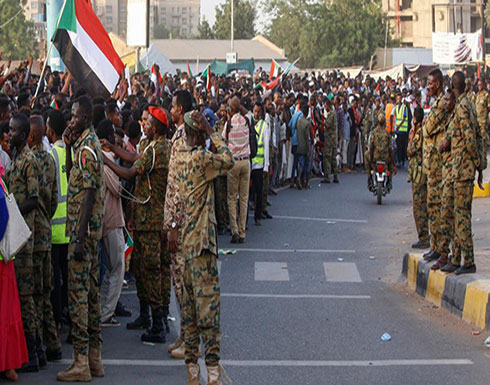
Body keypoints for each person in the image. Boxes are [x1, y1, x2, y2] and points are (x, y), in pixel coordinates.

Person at [102, 107, 171, 343]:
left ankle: (159, 323)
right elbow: (134, 158)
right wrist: (113, 148)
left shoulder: (158, 149)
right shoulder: (154, 147)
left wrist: (107, 162)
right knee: (144, 268)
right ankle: (147, 316)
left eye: (149, 122)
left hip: (151, 221)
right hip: (146, 218)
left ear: (157, 128)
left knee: (152, 271)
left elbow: (130, 172)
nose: (145, 125)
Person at [179, 110, 234, 385]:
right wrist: (213, 131)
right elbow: (228, 160)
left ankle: (192, 373)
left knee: (189, 315)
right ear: (199, 133)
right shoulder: (202, 158)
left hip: (187, 246)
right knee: (208, 312)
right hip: (202, 245)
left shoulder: (183, 159)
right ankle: (212, 374)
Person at [57, 96, 105, 382]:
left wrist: (78, 237)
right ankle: (95, 359)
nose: (70, 120)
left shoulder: (88, 148)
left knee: (78, 300)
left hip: (82, 234)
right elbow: (75, 176)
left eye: (74, 116)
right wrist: (69, 147)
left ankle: (81, 362)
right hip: (89, 234)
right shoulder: (86, 145)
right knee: (91, 296)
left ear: (86, 118)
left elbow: (87, 192)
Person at [5, 113, 40, 372]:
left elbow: (34, 198)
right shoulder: (15, 158)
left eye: (14, 131)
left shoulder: (28, 160)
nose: (9, 134)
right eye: (9, 130)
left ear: (24, 133)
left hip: (24, 237)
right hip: (14, 233)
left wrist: (10, 208)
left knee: (27, 297)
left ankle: (35, 351)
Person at [440, 72, 482, 275]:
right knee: (456, 216)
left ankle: (469, 260)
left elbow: (469, 138)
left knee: (462, 216)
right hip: (459, 169)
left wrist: (476, 163)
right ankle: (456, 259)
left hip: (463, 169)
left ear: (452, 85)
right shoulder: (463, 104)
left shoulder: (464, 106)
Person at [27, 115, 60, 367]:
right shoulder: (49, 160)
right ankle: (53, 345)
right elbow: (53, 199)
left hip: (32, 236)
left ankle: (36, 347)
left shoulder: (27, 162)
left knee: (34, 294)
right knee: (46, 294)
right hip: (46, 231)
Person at [164, 90, 193, 359]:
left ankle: (190, 343)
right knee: (178, 282)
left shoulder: (184, 138)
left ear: (180, 109)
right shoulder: (179, 136)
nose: (170, 109)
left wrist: (173, 224)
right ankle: (184, 335)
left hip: (181, 224)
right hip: (177, 221)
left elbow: (181, 185)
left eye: (172, 106)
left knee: (184, 285)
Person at [96, 120, 126, 327]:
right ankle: (106, 313)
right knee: (117, 267)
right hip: (111, 219)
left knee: (111, 267)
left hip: (108, 218)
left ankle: (103, 308)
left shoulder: (105, 157)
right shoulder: (105, 159)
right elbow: (118, 188)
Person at [0, 166, 29, 382]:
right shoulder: (1, 179)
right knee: (8, 314)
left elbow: (2, 214)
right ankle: (8, 364)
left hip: (2, 264)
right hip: (4, 262)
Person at [46, 109, 69, 340]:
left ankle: (57, 321)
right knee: (69, 277)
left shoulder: (51, 155)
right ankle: (69, 318)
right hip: (69, 229)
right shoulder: (70, 153)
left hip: (53, 230)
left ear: (50, 130)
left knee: (55, 280)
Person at [422, 69, 447, 263]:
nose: (427, 87)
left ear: (437, 84)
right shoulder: (436, 103)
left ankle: (439, 247)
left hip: (437, 164)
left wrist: (424, 124)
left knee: (435, 205)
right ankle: (435, 246)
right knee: (432, 205)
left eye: (430, 83)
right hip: (431, 163)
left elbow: (428, 129)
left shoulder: (439, 106)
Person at [223, 96, 251, 244]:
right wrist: (239, 107)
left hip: (233, 163)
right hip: (246, 162)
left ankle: (234, 230)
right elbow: (249, 113)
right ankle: (242, 232)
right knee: (244, 198)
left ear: (230, 109)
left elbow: (223, 142)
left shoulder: (228, 125)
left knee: (232, 198)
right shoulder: (247, 120)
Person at [407, 106, 429, 250]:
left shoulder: (419, 133)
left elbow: (410, 150)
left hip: (419, 174)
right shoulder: (422, 131)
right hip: (420, 172)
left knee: (419, 207)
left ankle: (424, 237)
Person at [366, 113, 395, 191]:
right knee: (391, 163)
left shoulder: (373, 133)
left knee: (366, 154)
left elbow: (371, 148)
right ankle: (389, 181)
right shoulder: (387, 134)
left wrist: (371, 161)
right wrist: (394, 165)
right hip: (385, 158)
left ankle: (369, 178)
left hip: (375, 157)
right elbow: (390, 149)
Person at [251, 102, 269, 226]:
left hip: (259, 164)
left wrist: (266, 165)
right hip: (249, 162)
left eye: (258, 111)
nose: (256, 113)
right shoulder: (249, 123)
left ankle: (257, 216)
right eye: (255, 111)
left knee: (258, 191)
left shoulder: (264, 126)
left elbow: (266, 146)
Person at [322, 98, 339, 183]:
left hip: (329, 139)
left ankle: (327, 177)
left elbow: (327, 124)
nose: (325, 108)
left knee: (327, 158)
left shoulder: (331, 114)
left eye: (325, 106)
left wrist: (320, 120)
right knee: (333, 158)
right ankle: (336, 176)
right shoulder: (333, 114)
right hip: (333, 139)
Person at [296, 101, 311, 189]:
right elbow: (307, 137)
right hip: (304, 145)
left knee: (300, 163)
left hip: (298, 144)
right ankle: (303, 180)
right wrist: (308, 149)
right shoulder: (307, 123)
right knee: (306, 164)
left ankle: (299, 178)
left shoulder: (299, 121)